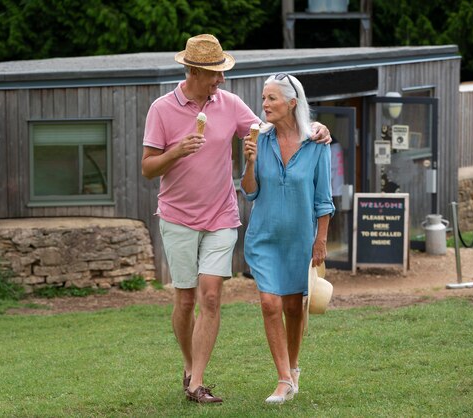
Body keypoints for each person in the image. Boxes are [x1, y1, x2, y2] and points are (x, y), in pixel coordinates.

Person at [141, 34, 330, 404]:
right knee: (184, 300)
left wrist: (318, 128)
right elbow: (148, 169)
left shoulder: (229, 104)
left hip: (221, 216)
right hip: (177, 217)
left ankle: (196, 383)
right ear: (195, 70)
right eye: (215, 74)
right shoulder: (161, 109)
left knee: (210, 297)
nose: (221, 81)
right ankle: (188, 364)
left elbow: (273, 127)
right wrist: (177, 151)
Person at [241, 73, 335, 404]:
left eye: (271, 99)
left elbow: (324, 199)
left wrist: (320, 240)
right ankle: (282, 379)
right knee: (270, 303)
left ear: (291, 103)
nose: (264, 104)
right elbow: (250, 192)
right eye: (263, 98)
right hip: (264, 238)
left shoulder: (317, 144)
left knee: (294, 307)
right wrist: (250, 163)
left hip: (300, 240)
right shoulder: (259, 141)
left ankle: (294, 370)